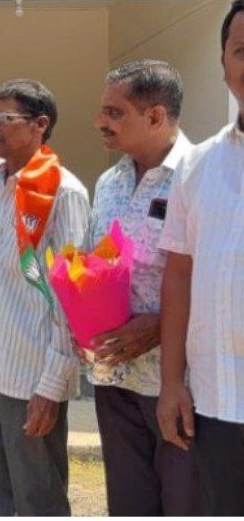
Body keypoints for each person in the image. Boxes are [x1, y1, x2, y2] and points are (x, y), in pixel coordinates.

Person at [0, 79, 89, 516]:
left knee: (36, 496)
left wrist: (53, 384)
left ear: (40, 124)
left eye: (4, 119)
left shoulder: (64, 192)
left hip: (30, 373)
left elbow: (72, 297)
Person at [84, 60, 204, 515]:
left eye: (114, 113)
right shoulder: (109, 182)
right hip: (115, 379)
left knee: (185, 505)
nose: (100, 122)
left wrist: (159, 327)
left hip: (183, 387)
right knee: (129, 506)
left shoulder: (201, 176)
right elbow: (98, 263)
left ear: (155, 117)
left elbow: (220, 280)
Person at [157, 0, 244, 515]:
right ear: (223, 63)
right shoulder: (197, 165)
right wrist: (171, 382)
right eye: (241, 50)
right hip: (218, 400)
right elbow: (179, 275)